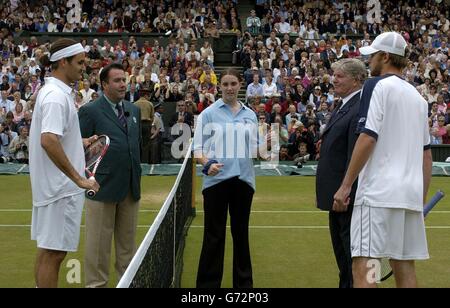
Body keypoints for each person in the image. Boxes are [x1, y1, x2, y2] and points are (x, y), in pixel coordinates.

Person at [334, 32, 433, 288]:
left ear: (386, 56)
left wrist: (346, 186)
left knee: (366, 265)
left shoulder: (374, 86)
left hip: (377, 194)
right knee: (404, 265)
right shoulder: (419, 99)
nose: (370, 62)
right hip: (408, 196)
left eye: (373, 56)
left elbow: (368, 137)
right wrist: (418, 200)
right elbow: (426, 155)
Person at [29, 38, 99, 288]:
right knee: (55, 254)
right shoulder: (56, 97)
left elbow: (56, 136)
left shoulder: (54, 93)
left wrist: (77, 142)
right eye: (79, 62)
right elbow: (48, 140)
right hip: (60, 191)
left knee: (49, 250)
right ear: (62, 62)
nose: (84, 67)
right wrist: (79, 178)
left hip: (54, 189)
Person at [193, 68, 266, 288]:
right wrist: (207, 164)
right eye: (225, 84)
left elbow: (255, 150)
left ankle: (244, 287)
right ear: (219, 87)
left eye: (233, 84)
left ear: (239, 86)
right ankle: (207, 287)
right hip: (216, 183)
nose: (229, 88)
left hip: (244, 182)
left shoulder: (249, 114)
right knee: (213, 236)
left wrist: (267, 143)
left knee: (241, 235)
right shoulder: (208, 113)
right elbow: (198, 150)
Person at [78, 63, 142, 288]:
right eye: (117, 80)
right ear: (104, 84)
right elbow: (78, 148)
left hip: (130, 187)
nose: (123, 84)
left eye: (124, 79)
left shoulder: (134, 110)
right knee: (98, 248)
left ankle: (128, 284)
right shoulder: (89, 111)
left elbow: (135, 146)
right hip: (101, 187)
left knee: (128, 249)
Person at [315, 58, 367, 288]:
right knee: (344, 261)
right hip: (338, 196)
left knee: (351, 259)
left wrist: (345, 191)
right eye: (334, 75)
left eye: (339, 76)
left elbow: (353, 155)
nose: (333, 79)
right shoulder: (345, 103)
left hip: (345, 198)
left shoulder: (358, 107)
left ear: (356, 80)